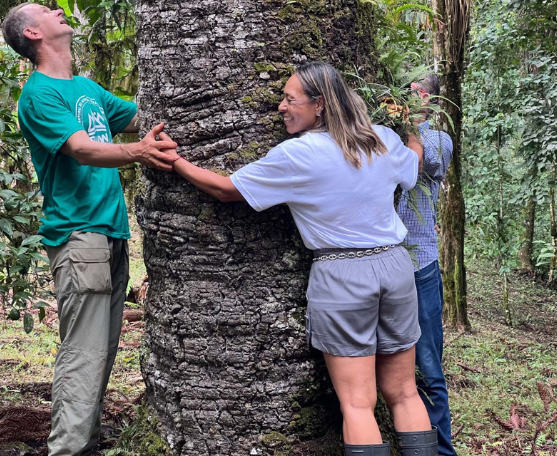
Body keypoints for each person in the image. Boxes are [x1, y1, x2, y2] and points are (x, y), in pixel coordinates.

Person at [161, 61, 438, 456]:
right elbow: (415, 157)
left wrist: (176, 161)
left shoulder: (299, 154)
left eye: (290, 99)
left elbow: (226, 189)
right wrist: (409, 120)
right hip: (395, 267)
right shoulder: (381, 140)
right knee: (406, 393)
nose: (280, 107)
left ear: (320, 104)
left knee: (358, 404)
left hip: (343, 275)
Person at [1, 4, 177, 454]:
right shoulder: (38, 95)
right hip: (80, 236)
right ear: (32, 32)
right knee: (85, 351)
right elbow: (82, 149)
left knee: (103, 350)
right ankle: (68, 450)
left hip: (111, 234)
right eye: (46, 9)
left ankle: (85, 442)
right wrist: (140, 151)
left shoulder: (85, 88)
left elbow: (138, 115)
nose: (60, 9)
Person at [397, 74, 457, 456]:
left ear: (430, 100)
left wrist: (408, 125)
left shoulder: (438, 138)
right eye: (407, 91)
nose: (411, 97)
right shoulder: (385, 132)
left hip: (420, 263)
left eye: (419, 92)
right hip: (381, 263)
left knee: (429, 364)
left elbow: (427, 165)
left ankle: (444, 451)